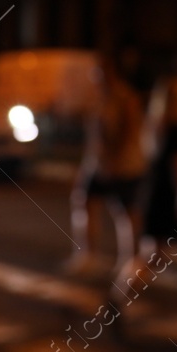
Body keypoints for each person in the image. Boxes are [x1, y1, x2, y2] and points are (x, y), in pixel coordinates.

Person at [67, 57, 147, 278]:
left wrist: (113, 159)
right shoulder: (99, 97)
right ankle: (88, 254)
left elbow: (130, 130)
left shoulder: (125, 96)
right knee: (85, 201)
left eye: (100, 72)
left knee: (127, 212)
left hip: (124, 166)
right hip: (98, 164)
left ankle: (132, 259)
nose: (96, 77)